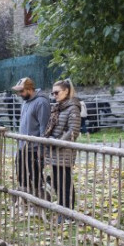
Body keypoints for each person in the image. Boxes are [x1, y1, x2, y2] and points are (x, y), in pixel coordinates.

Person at [44, 80, 81, 220]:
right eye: (52, 93)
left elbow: (73, 131)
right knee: (58, 182)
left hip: (64, 151)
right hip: (55, 150)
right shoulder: (59, 107)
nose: (54, 95)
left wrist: (57, 143)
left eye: (57, 92)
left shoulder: (73, 108)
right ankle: (62, 209)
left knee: (65, 182)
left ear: (66, 91)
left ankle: (67, 213)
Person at [13, 77, 51, 203]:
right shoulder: (25, 102)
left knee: (35, 175)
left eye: (22, 91)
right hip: (22, 146)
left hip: (34, 147)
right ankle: (25, 199)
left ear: (30, 89)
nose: (20, 94)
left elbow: (43, 127)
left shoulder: (41, 102)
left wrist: (41, 148)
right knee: (21, 171)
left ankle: (39, 201)